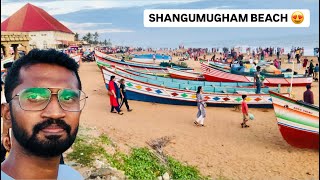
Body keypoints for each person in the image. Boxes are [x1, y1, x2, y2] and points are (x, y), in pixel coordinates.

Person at [1, 49, 86, 179]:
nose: (55, 113)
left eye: (68, 98)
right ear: (8, 114)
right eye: (35, 97)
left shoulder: (72, 176)